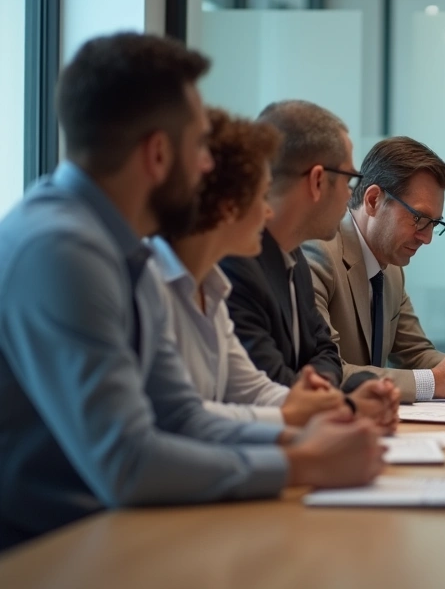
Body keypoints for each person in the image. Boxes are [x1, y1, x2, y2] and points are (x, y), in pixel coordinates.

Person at [0, 33, 383, 551]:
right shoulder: (64, 249)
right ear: (158, 153)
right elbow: (126, 461)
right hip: (48, 550)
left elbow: (180, 416)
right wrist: (301, 461)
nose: (210, 169)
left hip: (112, 533)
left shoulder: (122, 249)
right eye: (201, 146)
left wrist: (302, 439)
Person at [150, 107, 398, 431]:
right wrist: (313, 433)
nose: (268, 209)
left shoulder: (214, 283)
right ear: (228, 204)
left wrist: (341, 406)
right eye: (261, 192)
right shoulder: (160, 282)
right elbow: (184, 420)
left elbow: (256, 389)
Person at [221, 100, 396, 407]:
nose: (348, 194)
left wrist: (322, 390)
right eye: (348, 180)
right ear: (317, 181)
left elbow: (326, 350)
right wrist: (338, 403)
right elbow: (269, 384)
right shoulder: (235, 264)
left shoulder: (295, 256)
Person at [304, 137, 445, 402]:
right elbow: (326, 372)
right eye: (419, 219)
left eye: (434, 224)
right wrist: (437, 381)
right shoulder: (319, 252)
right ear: (373, 200)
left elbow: (414, 352)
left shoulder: (390, 268)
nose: (427, 238)